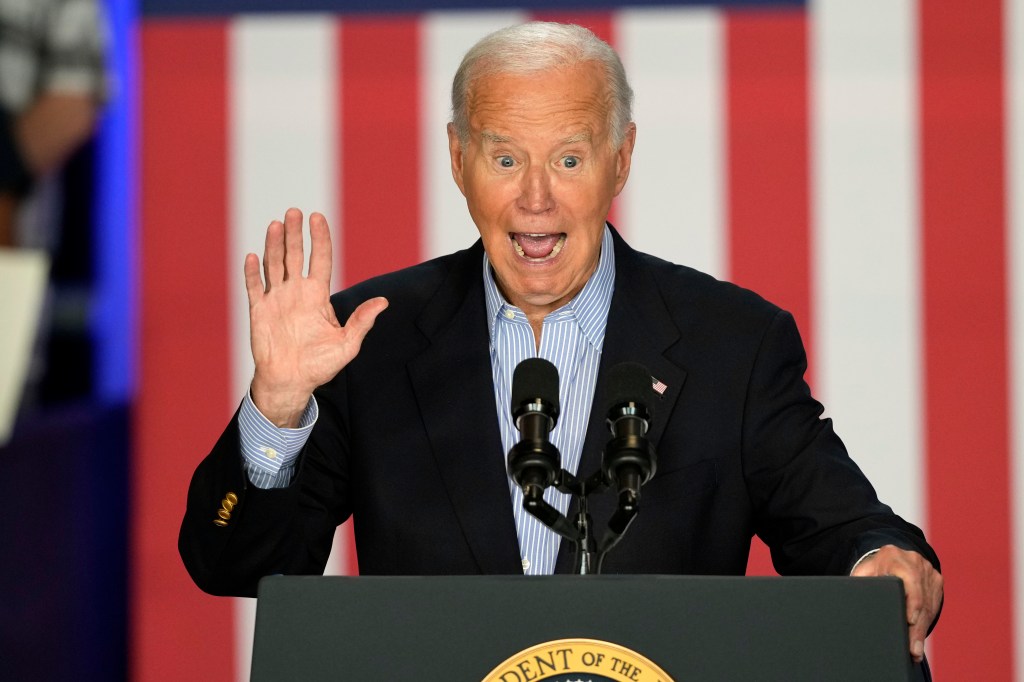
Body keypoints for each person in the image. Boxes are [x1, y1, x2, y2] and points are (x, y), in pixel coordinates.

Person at [179, 22, 942, 663]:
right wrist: (276, 409)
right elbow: (236, 566)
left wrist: (880, 561)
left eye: (569, 159)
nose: (535, 197)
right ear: (457, 159)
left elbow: (847, 528)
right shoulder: (369, 340)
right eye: (506, 158)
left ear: (622, 157)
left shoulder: (731, 344)